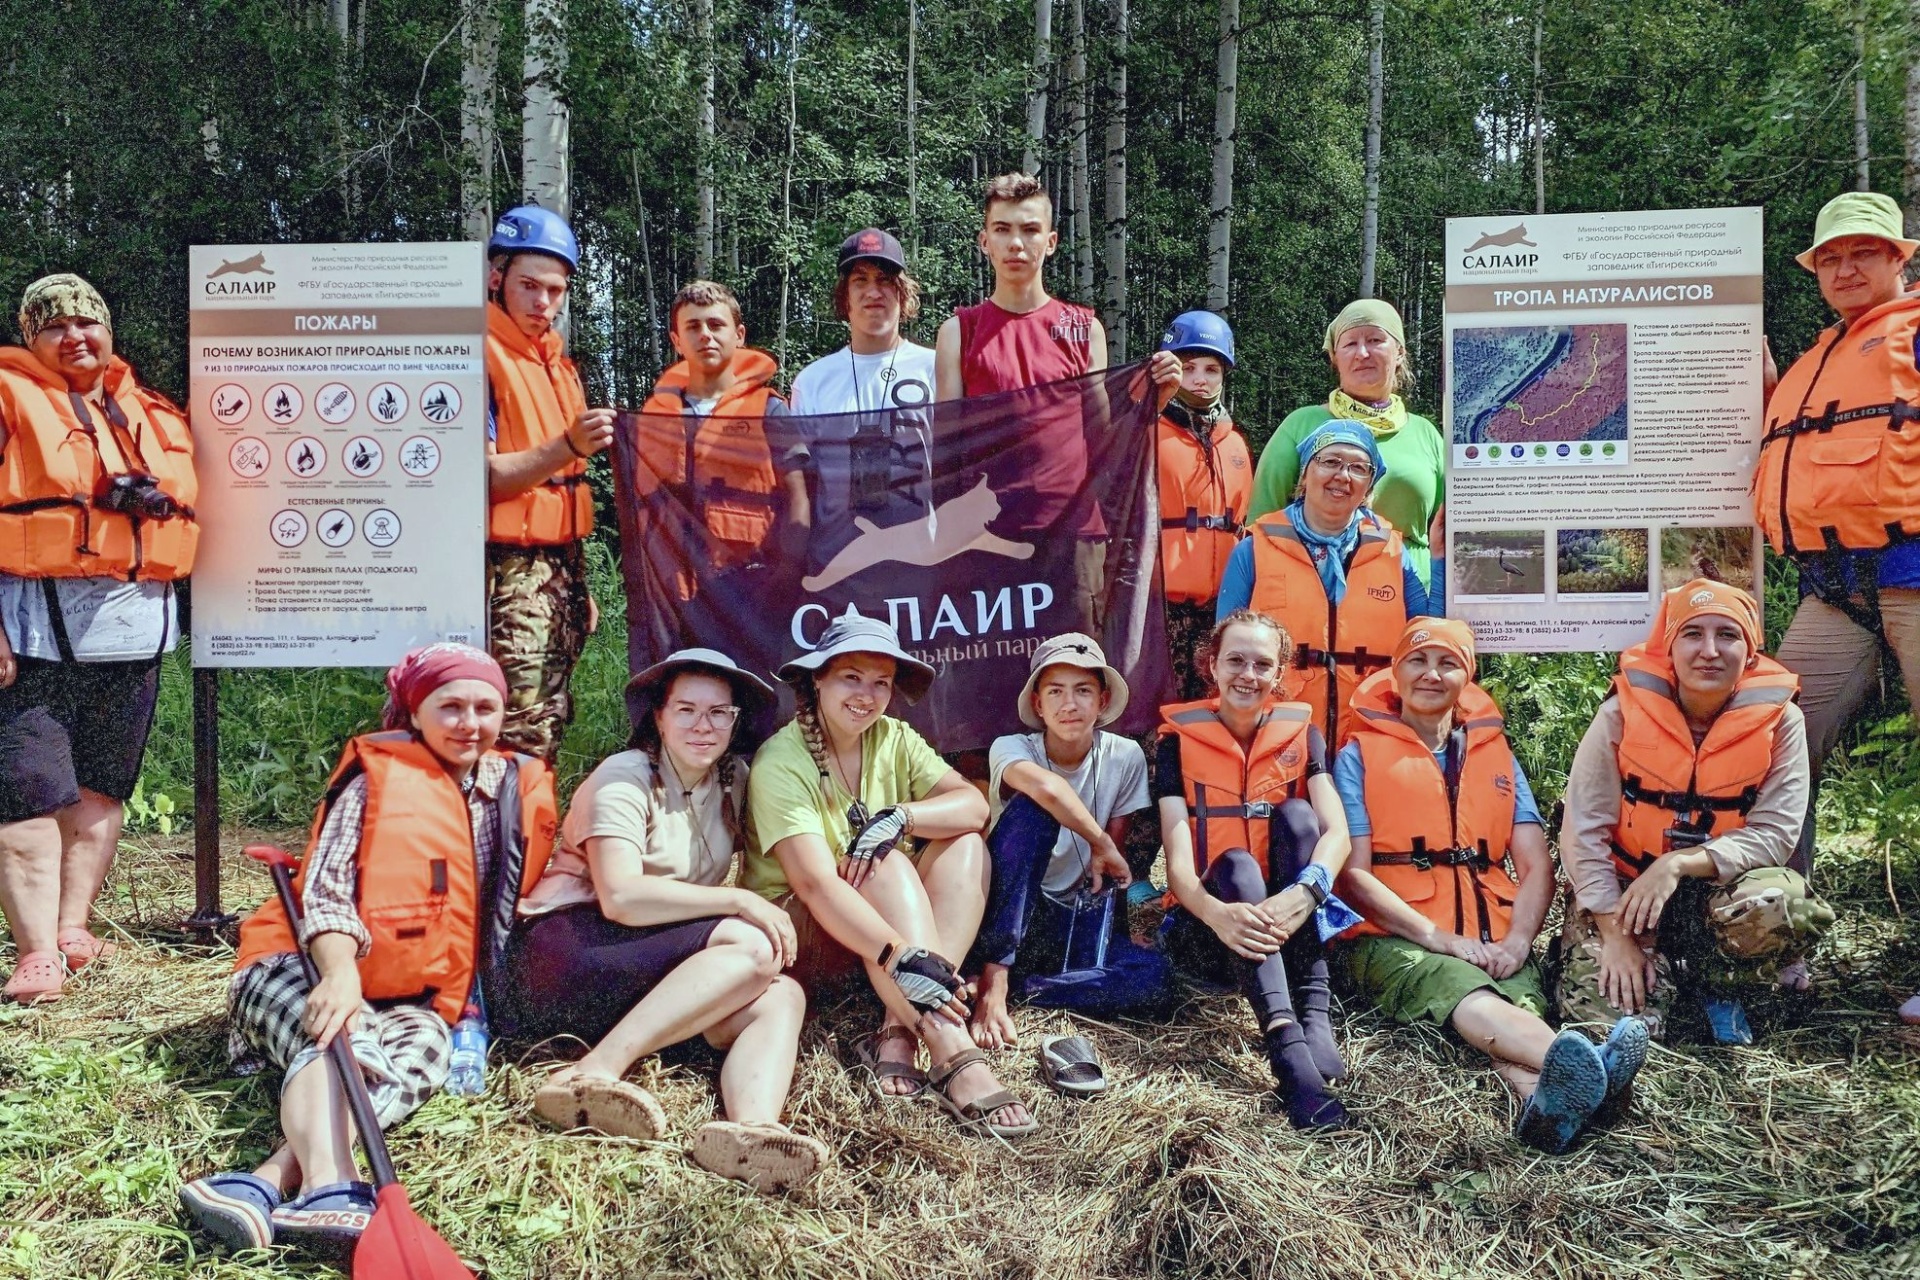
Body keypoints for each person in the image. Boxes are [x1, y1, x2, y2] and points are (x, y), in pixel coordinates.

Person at [179, 645, 557, 1257]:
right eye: (451, 706)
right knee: (342, 1033)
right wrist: (339, 976)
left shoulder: (512, 787)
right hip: (299, 961)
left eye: (485, 708)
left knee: (427, 1055)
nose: (470, 722)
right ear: (416, 711)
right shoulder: (375, 780)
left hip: (409, 990)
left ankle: (267, 1180)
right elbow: (324, 897)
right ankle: (333, 1189)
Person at [502, 648, 827, 1193]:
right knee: (751, 948)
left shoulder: (733, 780)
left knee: (781, 996)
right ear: (659, 716)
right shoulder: (625, 777)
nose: (703, 726)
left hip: (640, 965)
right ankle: (593, 1071)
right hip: (564, 952)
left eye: (719, 713)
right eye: (686, 710)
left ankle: (749, 1134)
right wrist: (739, 902)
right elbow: (621, 898)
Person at [1333, 618, 1647, 1153]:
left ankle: (1541, 1110)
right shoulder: (1357, 756)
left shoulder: (1497, 756)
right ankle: (1591, 1069)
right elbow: (1353, 876)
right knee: (1467, 993)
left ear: (1467, 678)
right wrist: (1438, 938)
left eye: (1448, 663)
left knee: (1514, 1013)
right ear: (1395, 672)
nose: (1431, 674)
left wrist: (1519, 940)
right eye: (1417, 660)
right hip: (1394, 938)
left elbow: (1535, 863)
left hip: (1494, 935)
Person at [744, 615, 1036, 1138]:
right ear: (819, 679)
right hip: (809, 937)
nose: (867, 694)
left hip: (889, 942)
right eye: (851, 677)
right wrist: (899, 956)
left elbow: (973, 806)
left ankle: (898, 1024)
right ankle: (951, 1046)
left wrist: (902, 815)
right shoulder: (780, 761)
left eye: (881, 682)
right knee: (886, 865)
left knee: (966, 847)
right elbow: (813, 884)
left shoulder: (894, 737)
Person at [0, 273, 198, 1004]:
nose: (74, 336)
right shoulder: (6, 401)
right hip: (31, 635)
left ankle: (73, 927)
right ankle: (35, 952)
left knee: (99, 790)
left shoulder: (152, 412)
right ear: (31, 338)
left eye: (87, 323)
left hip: (134, 631)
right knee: (26, 796)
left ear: (108, 331)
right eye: (54, 327)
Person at [1754, 191, 1920, 1016]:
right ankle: (1777, 947)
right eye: (1831, 258)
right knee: (1775, 748)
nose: (1846, 268)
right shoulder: (1816, 357)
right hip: (1836, 592)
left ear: (1901, 258)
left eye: (1865, 252)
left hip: (1915, 574)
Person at [1553, 580, 1834, 1046]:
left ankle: (1717, 981)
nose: (1709, 651)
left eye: (1727, 635)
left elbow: (1777, 834)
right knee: (1609, 1025)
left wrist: (1677, 863)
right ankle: (1653, 978)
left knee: (1787, 903)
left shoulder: (1782, 721)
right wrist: (1614, 933)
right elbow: (1582, 831)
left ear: (1749, 651)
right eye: (1692, 634)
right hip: (1626, 898)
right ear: (1669, 647)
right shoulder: (1620, 713)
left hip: (1718, 893)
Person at [933, 172, 1179, 633]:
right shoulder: (958, 333)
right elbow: (946, 451)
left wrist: (1154, 403)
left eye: (1029, 230)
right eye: (1003, 230)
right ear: (984, 241)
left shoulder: (1083, 329)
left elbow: (1105, 438)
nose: (1016, 244)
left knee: (1074, 678)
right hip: (986, 537)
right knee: (991, 679)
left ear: (1051, 242)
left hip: (1073, 534)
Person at [1157, 609, 1360, 1129]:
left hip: (1289, 921)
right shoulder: (1174, 744)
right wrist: (1216, 914)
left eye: (1262, 664)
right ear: (1213, 666)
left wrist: (1307, 893)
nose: (1248, 675)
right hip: (1211, 930)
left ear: (1280, 674)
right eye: (1236, 661)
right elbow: (1179, 867)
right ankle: (1286, 1046)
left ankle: (1315, 1004)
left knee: (1296, 817)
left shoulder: (1303, 735)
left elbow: (1336, 834)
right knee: (1237, 863)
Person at [968, 633, 1161, 1056]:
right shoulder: (1012, 747)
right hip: (1008, 910)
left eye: (1083, 691)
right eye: (1055, 692)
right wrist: (1098, 839)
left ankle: (1029, 987)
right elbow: (1051, 791)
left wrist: (1116, 935)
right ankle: (994, 979)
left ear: (1102, 700)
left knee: (1156, 979)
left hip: (1066, 918)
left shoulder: (1124, 755)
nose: (1069, 705)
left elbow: (1110, 864)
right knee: (1034, 811)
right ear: (1038, 704)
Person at [483, 205, 616, 761]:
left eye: (556, 290)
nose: (543, 303)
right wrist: (567, 446)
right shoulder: (475, 356)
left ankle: (528, 839)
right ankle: (500, 843)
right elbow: (480, 478)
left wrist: (575, 580)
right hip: (507, 567)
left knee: (550, 714)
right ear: (497, 279)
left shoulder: (557, 364)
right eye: (528, 286)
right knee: (519, 723)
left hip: (560, 563)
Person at [1215, 420, 1434, 747]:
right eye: (1330, 462)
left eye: (1358, 468)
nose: (1343, 476)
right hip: (1277, 738)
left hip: (1371, 736)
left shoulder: (1393, 553)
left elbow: (1426, 639)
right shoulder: (1253, 549)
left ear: (1369, 485)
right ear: (1305, 474)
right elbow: (1224, 653)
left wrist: (1442, 564)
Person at [636, 281, 804, 668]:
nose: (705, 335)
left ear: (739, 335)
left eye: (716, 324)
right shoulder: (651, 419)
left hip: (751, 589)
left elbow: (799, 501)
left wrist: (786, 578)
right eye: (693, 327)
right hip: (674, 597)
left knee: (757, 704)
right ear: (677, 340)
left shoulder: (770, 410)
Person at [1249, 299, 1445, 589]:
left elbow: (1450, 527)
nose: (1362, 353)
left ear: (1400, 351)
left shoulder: (1425, 434)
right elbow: (1262, 522)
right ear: (1335, 357)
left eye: (1376, 340)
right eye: (1350, 343)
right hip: (1312, 591)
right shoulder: (1301, 425)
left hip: (1410, 595)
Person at [1157, 311, 1253, 700]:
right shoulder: (1146, 430)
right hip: (1162, 608)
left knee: (1213, 711)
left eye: (1211, 369)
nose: (1199, 378)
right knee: (1158, 713)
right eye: (1188, 367)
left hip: (1220, 609)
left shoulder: (1235, 442)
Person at [789, 228, 936, 415]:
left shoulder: (936, 370)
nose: (874, 293)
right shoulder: (812, 382)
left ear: (903, 293)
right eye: (860, 280)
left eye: (884, 280)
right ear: (844, 295)